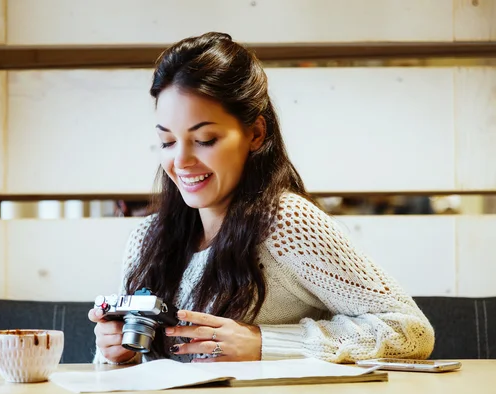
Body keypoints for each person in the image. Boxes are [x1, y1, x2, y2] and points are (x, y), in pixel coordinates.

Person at [88, 32, 435, 365]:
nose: (180, 161)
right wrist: (116, 353)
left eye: (205, 139)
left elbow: (410, 331)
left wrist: (263, 342)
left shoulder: (285, 222)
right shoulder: (146, 237)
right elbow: (127, 374)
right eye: (167, 142)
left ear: (255, 134)